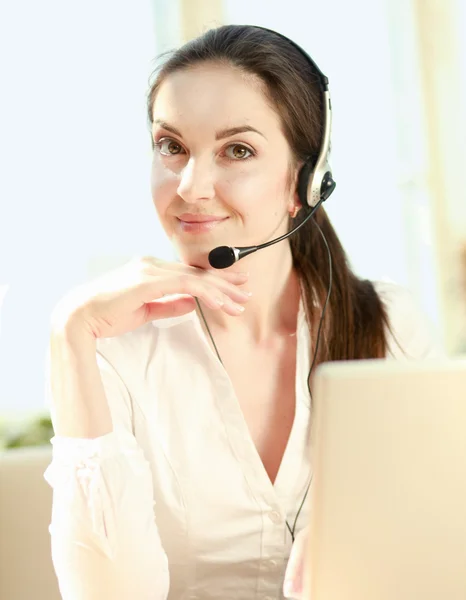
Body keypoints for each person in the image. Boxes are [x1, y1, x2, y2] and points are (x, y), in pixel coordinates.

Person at [44, 24, 441, 600]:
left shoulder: (389, 324)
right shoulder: (112, 350)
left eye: (238, 150)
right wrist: (70, 334)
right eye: (171, 146)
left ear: (302, 182)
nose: (191, 186)